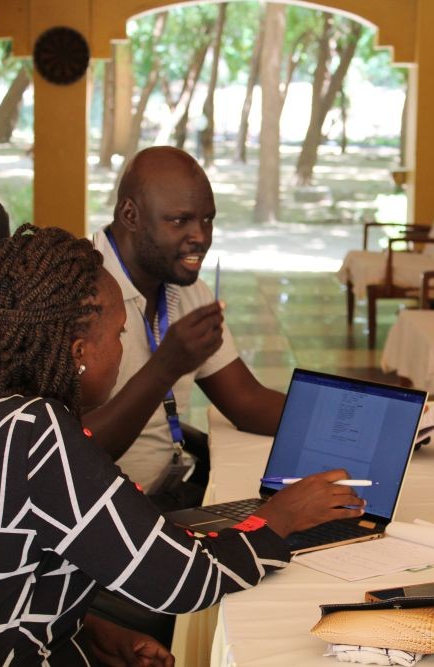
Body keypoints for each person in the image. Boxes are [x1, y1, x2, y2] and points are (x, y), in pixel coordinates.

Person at [0, 225, 366, 664]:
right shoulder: (36, 433)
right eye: (118, 335)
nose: (121, 349)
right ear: (78, 352)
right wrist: (281, 517)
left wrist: (91, 631)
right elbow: (183, 581)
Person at [85, 146, 284, 507]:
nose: (201, 237)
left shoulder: (188, 290)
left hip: (166, 499)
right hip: (97, 512)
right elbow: (68, 454)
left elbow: (245, 400)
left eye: (207, 220)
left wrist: (355, 425)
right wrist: (166, 366)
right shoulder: (78, 291)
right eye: (180, 221)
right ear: (130, 214)